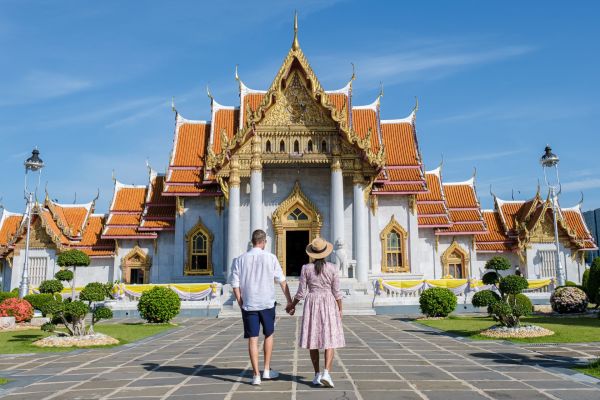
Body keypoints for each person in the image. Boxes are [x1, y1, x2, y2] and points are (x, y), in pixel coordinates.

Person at [230, 229, 293, 386]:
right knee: (269, 334)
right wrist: (289, 302)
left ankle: (256, 375)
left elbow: (235, 284)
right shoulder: (271, 258)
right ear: (264, 242)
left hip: (249, 304)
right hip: (266, 303)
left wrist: (239, 301)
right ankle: (266, 370)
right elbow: (282, 281)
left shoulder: (240, 259)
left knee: (253, 339)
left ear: (252, 241)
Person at [286, 237, 345, 388]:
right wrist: (340, 309)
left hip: (312, 303)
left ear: (312, 253)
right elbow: (337, 292)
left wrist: (292, 305)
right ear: (325, 253)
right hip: (328, 302)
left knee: (313, 338)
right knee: (329, 338)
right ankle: (326, 372)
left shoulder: (306, 268)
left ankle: (317, 374)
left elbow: (300, 293)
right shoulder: (332, 268)